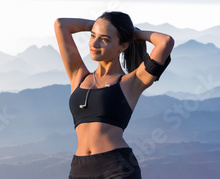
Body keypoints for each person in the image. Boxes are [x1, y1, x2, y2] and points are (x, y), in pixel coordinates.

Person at [54, 11, 174, 178]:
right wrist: (100, 25)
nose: (94, 43)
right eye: (92, 36)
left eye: (104, 39)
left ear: (123, 45)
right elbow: (61, 24)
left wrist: (132, 33)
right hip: (79, 168)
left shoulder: (132, 82)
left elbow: (165, 42)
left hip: (117, 168)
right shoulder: (78, 75)